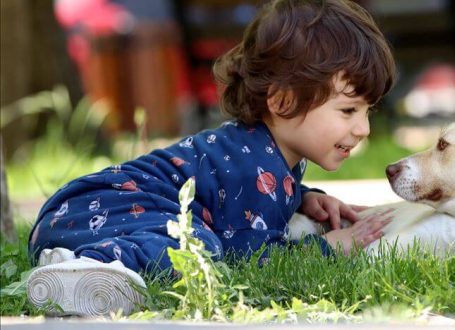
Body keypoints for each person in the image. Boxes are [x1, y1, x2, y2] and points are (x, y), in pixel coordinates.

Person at [26, 0, 396, 317]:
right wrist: (327, 250)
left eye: (367, 111)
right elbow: (255, 263)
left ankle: (70, 265)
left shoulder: (262, 152)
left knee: (196, 240)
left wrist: (303, 196)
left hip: (77, 213)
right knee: (200, 250)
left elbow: (241, 201)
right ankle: (92, 266)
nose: (362, 128)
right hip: (100, 209)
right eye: (348, 110)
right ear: (283, 100)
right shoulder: (255, 169)